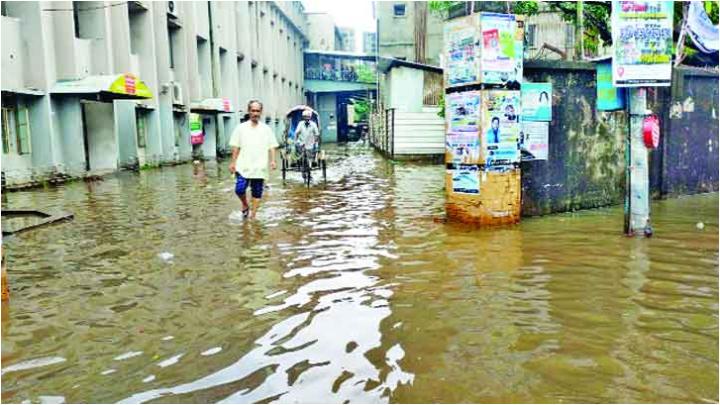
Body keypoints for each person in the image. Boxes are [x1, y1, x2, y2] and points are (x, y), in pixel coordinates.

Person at [228, 100, 278, 219]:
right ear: (249, 111)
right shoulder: (241, 128)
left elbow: (272, 146)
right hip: (243, 165)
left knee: (257, 192)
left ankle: (253, 216)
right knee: (239, 189)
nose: (255, 113)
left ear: (261, 112)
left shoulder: (266, 129)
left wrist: (273, 160)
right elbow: (236, 146)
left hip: (259, 166)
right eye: (253, 110)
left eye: (257, 111)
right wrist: (233, 162)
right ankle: (245, 205)